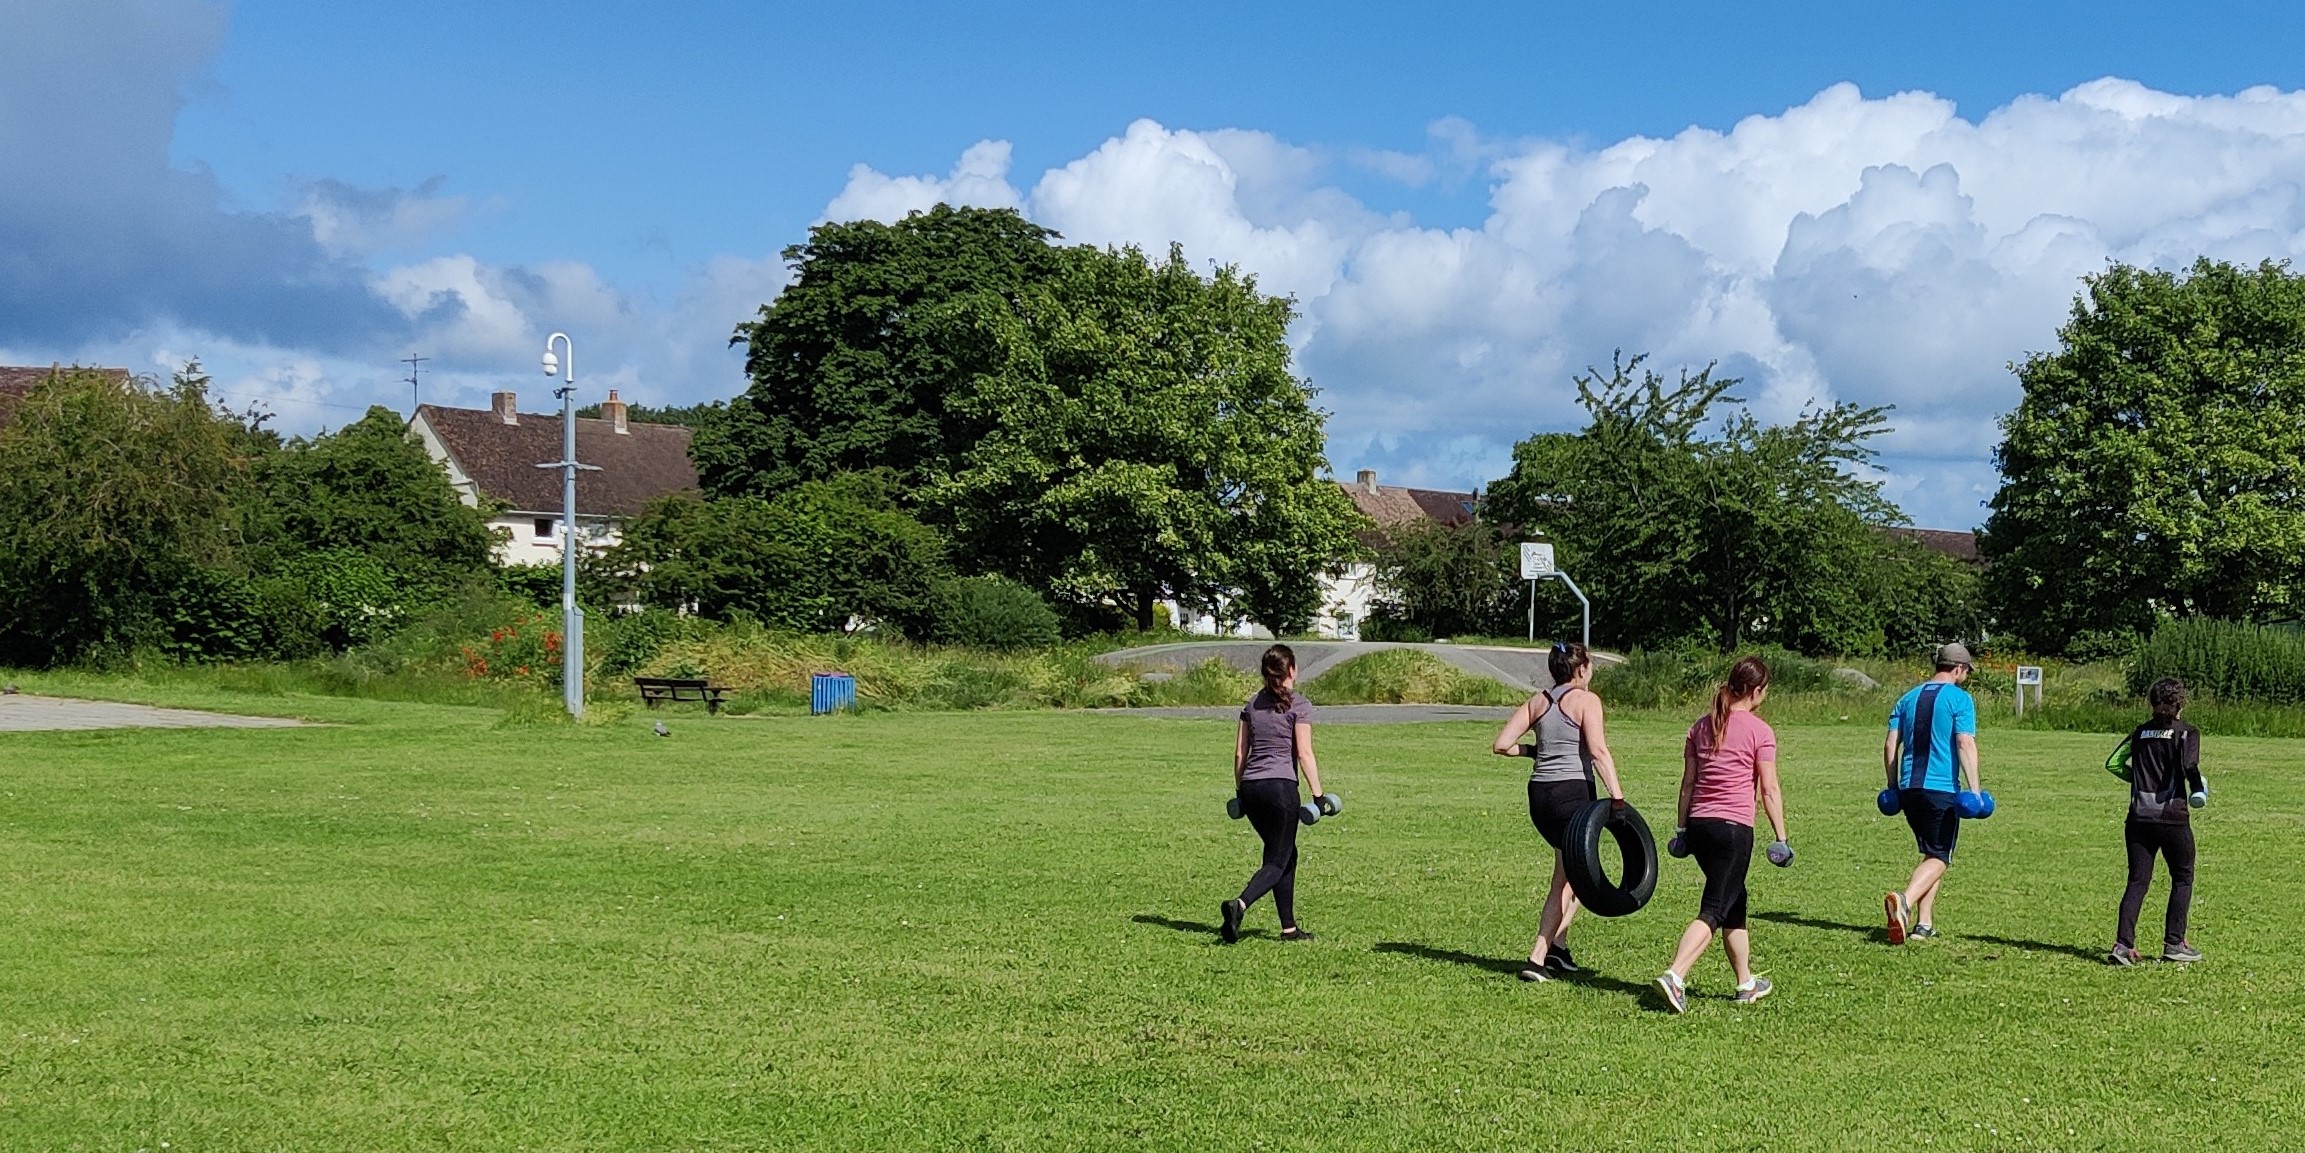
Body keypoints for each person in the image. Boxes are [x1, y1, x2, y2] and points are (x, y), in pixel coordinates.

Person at [1654, 656, 1787, 1013]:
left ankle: (1745, 982)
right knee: (1714, 907)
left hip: (1700, 828)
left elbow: (1687, 784)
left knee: (1734, 901)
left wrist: (1682, 830)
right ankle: (1675, 976)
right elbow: (1769, 789)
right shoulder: (1761, 731)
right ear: (1757, 691)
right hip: (1733, 831)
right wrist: (1782, 838)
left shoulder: (1700, 726)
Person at [1490, 641, 1627, 982]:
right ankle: (1537, 957)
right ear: (1581, 669)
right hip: (1572, 794)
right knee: (1566, 880)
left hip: (1541, 797)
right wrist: (1618, 798)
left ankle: (1559, 947)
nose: (1592, 672)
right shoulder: (1587, 701)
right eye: (1591, 666)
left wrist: (1536, 752)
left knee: (1576, 873)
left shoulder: (1539, 701)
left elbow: (1501, 745)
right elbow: (1598, 752)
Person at [1220, 644, 1327, 944]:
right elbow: (1304, 754)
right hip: (1281, 790)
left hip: (1252, 790)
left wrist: (1240, 791)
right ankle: (1238, 905)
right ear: (1291, 669)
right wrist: (1318, 796)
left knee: (1283, 852)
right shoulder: (1299, 705)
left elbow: (1240, 754)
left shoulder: (1252, 705)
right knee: (1278, 860)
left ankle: (1289, 928)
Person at [1882, 642, 1984, 944]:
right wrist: (1975, 791)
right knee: (1941, 856)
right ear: (1959, 669)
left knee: (1931, 853)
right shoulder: (1960, 700)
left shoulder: (1906, 698)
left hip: (1909, 789)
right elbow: (1965, 744)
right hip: (1941, 790)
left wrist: (1892, 787)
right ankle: (1905, 902)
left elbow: (1890, 745)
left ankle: (1924, 925)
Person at [2110, 677, 2207, 965]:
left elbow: (2113, 763)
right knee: (2182, 877)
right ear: (2181, 703)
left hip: (2139, 816)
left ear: (2152, 703)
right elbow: (2189, 765)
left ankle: (2122, 945)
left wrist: (2137, 780)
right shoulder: (2186, 732)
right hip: (2172, 817)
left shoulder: (2140, 733)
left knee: (2137, 880)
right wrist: (2198, 789)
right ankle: (2174, 943)